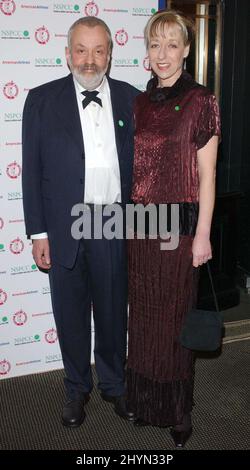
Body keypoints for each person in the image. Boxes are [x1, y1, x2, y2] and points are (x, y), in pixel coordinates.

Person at [22, 16, 139, 427]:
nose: (90, 60)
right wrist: (38, 231)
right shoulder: (40, 99)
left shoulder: (131, 98)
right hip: (63, 225)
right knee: (70, 314)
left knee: (112, 312)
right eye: (81, 50)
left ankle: (115, 386)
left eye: (99, 50)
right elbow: (31, 172)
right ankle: (76, 390)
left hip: (112, 222)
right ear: (68, 52)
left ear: (110, 53)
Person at [127, 9, 221, 447]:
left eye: (171, 45)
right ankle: (149, 404)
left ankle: (179, 411)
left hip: (181, 230)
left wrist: (203, 234)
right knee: (145, 321)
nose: (162, 54)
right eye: (154, 45)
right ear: (147, 52)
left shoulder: (202, 100)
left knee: (175, 322)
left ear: (186, 50)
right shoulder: (141, 103)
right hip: (141, 229)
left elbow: (208, 175)